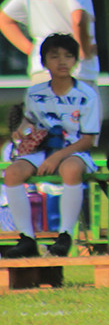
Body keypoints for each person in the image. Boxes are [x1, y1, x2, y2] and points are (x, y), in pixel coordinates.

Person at [2, 34, 101, 258]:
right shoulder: (35, 93)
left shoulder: (87, 95)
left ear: (76, 61)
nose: (62, 61)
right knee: (12, 173)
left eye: (68, 56)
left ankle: (65, 236)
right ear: (44, 62)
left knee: (71, 169)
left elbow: (87, 139)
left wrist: (57, 158)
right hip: (42, 150)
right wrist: (22, 130)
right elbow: (30, 121)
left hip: (73, 149)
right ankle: (27, 238)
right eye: (54, 56)